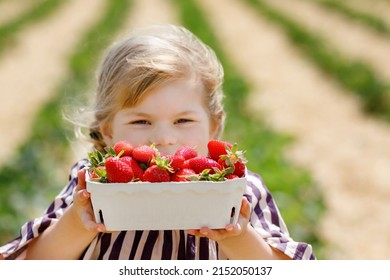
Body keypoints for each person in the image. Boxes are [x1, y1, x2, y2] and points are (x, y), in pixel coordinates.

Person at [0, 24, 315, 260]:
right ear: (108, 130)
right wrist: (78, 223)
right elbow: (36, 263)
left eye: (183, 120)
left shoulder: (239, 190)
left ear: (214, 125)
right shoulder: (90, 185)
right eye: (140, 121)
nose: (164, 138)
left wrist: (237, 235)